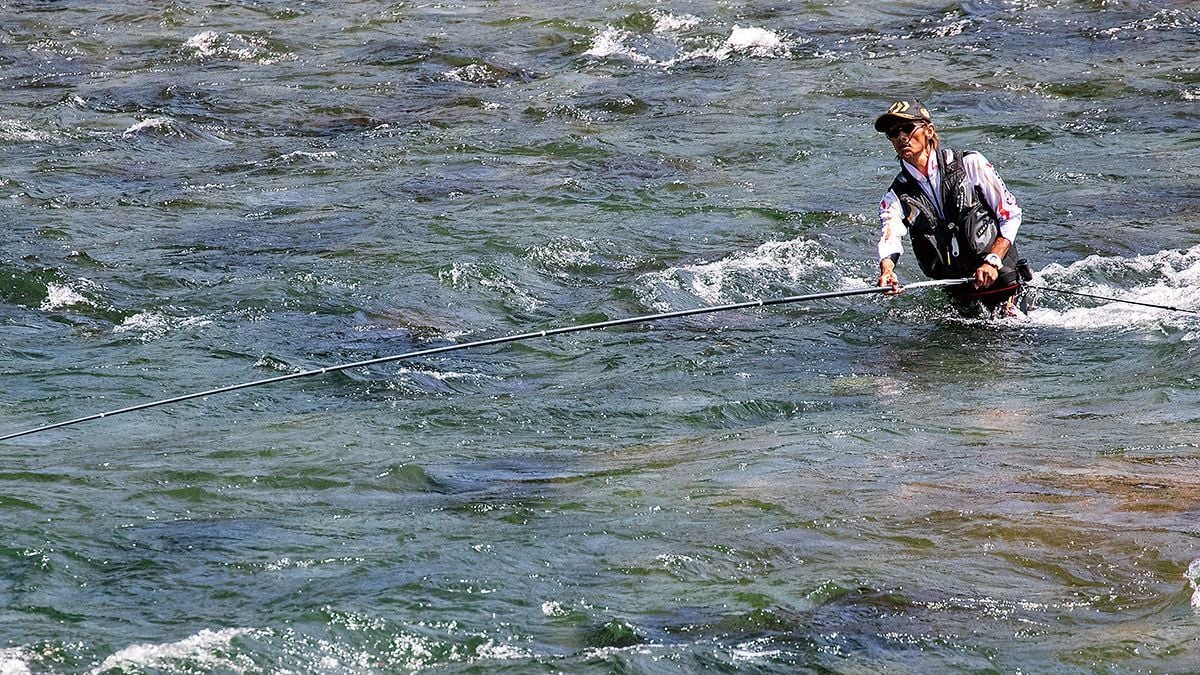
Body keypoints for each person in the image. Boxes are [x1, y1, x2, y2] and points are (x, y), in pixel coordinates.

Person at [873, 99, 1027, 316]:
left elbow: (1010, 215)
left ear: (928, 131)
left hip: (1005, 285)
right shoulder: (894, 196)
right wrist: (887, 270)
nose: (901, 137)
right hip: (959, 298)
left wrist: (993, 260)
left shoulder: (971, 164)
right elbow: (890, 236)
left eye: (908, 128)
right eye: (892, 132)